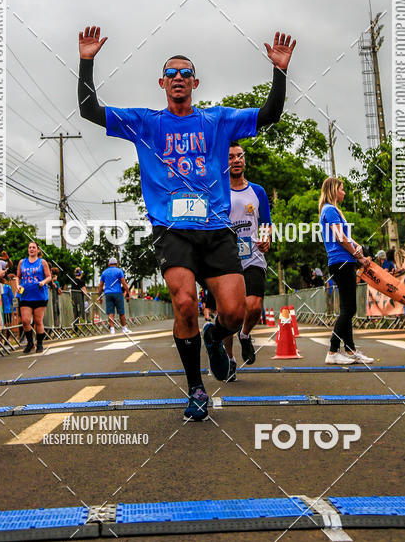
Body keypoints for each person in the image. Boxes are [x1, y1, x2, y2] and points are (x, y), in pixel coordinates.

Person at [78, 24, 295, 421]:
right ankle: (196, 388)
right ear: (162, 82)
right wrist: (86, 61)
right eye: (171, 74)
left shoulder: (218, 121)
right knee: (184, 304)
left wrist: (279, 71)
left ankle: (215, 338)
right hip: (172, 228)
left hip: (215, 228)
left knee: (233, 313)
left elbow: (270, 114)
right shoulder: (146, 123)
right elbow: (89, 111)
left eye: (185, 73)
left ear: (195, 81)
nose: (178, 78)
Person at [222, 142, 271, 381]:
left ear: (245, 160)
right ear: (225, 161)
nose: (236, 160)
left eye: (239, 156)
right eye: (231, 157)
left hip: (253, 257)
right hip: (226, 260)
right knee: (228, 313)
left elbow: (266, 223)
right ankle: (229, 360)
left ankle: (245, 334)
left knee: (253, 306)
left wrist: (266, 239)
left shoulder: (258, 191)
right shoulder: (219, 191)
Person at [318, 178, 373, 365]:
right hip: (342, 262)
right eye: (342, 189)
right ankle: (333, 351)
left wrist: (361, 252)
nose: (344, 192)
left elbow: (348, 238)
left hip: (343, 261)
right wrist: (359, 256)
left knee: (346, 309)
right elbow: (340, 237)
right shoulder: (330, 210)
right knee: (349, 309)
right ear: (334, 190)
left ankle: (350, 350)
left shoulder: (331, 210)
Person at [16, 242, 52, 353]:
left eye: (34, 248)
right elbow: (18, 276)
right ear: (28, 250)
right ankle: (30, 343)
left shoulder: (42, 262)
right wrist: (17, 285)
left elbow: (49, 276)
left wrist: (43, 282)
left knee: (38, 320)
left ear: (37, 250)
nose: (31, 249)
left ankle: (40, 343)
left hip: (39, 295)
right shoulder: (22, 262)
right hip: (25, 295)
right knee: (25, 321)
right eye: (30, 247)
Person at [98, 257, 130, 333]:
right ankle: (124, 328)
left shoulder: (104, 272)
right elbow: (123, 283)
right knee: (121, 311)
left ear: (109, 264)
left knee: (110, 312)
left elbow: (100, 285)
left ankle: (112, 329)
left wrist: (99, 296)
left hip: (108, 293)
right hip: (118, 293)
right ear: (116, 264)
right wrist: (127, 292)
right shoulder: (119, 271)